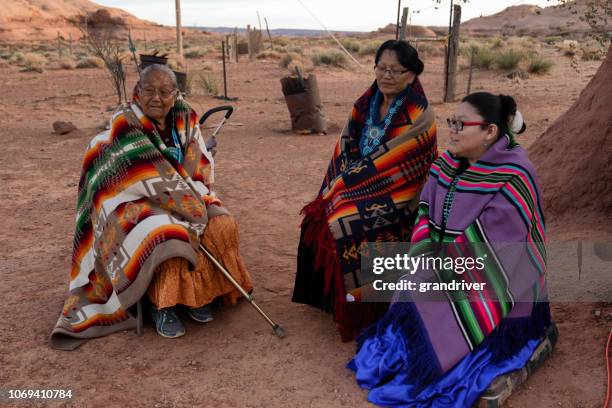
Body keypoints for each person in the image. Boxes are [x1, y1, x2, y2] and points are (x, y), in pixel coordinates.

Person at [348, 92, 552, 407]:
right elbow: (425, 214)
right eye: (451, 122)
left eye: (461, 124)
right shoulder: (445, 164)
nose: (453, 130)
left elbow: (503, 246)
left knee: (440, 352)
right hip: (445, 263)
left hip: (498, 280)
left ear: (490, 132)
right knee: (397, 328)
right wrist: (426, 257)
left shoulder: (515, 174)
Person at [50, 64, 252, 349]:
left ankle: (198, 295)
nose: (156, 98)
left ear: (176, 94)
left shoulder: (185, 116)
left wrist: (198, 164)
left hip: (182, 193)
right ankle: (163, 305)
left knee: (221, 223)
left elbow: (196, 163)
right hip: (132, 201)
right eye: (149, 90)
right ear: (137, 92)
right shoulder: (126, 123)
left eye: (165, 91)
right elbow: (141, 175)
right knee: (167, 231)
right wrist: (183, 199)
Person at [292, 40, 438, 342]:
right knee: (318, 216)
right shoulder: (365, 103)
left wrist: (347, 187)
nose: (386, 75)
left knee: (350, 225)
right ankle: (328, 299)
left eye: (395, 71)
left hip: (399, 196)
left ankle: (364, 312)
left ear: (411, 75)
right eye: (381, 68)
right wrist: (341, 183)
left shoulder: (419, 112)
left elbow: (404, 167)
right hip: (358, 182)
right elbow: (346, 146)